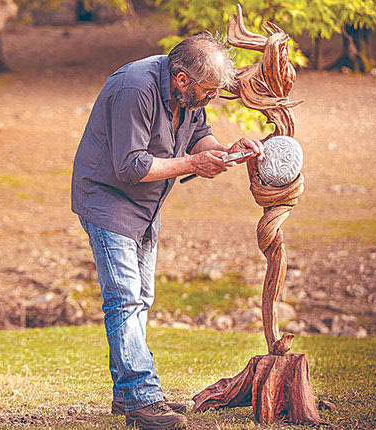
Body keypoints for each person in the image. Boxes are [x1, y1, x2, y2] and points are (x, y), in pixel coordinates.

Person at [70, 32, 263, 430]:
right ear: (180, 79)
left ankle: (127, 396)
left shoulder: (189, 92)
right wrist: (194, 165)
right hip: (106, 198)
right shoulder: (134, 89)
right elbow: (132, 166)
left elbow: (196, 135)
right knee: (124, 299)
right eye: (207, 91)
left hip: (145, 204)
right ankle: (143, 399)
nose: (209, 99)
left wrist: (224, 151)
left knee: (141, 296)